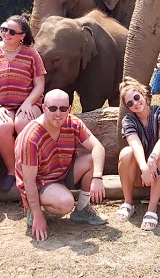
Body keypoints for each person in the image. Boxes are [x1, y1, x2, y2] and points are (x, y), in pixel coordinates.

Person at [15, 89, 107, 242]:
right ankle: (34, 209)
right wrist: (38, 216)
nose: (58, 113)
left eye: (63, 109)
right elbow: (28, 181)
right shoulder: (31, 137)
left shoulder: (72, 122)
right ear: (44, 108)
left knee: (92, 159)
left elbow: (98, 148)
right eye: (53, 108)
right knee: (66, 203)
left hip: (63, 173)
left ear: (69, 109)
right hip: (41, 182)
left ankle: (83, 208)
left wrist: (97, 177)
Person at [0, 14, 46, 192]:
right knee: (1, 128)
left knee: (24, 125)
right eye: (4, 29)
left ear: (22, 35)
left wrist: (28, 103)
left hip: (28, 103)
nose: (6, 33)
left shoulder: (31, 54)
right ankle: (12, 172)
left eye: (12, 31)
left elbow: (39, 85)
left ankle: (29, 172)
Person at [116, 77, 160, 231]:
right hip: (140, 175)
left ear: (143, 94)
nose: (135, 103)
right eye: (130, 103)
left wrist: (152, 159)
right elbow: (134, 143)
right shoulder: (128, 119)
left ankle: (152, 209)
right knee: (126, 153)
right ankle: (128, 202)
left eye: (136, 97)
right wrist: (144, 168)